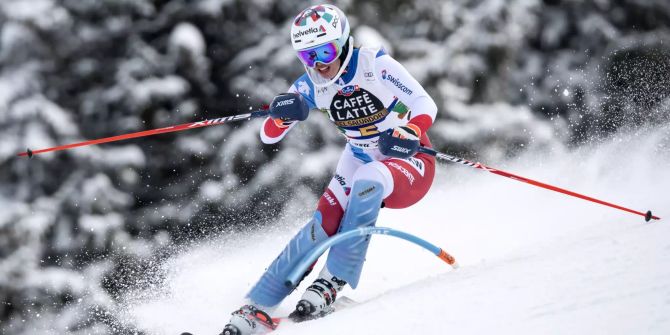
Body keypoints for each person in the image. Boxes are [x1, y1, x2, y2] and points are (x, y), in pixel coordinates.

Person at [222, 4, 438, 334]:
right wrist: (281, 116)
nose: (320, 64)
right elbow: (268, 135)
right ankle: (259, 304)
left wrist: (409, 130)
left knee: (368, 178)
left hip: (410, 162)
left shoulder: (373, 64)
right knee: (324, 219)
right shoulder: (310, 85)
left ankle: (332, 280)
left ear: (342, 42)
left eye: (324, 51)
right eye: (309, 57)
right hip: (361, 156)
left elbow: (425, 103)